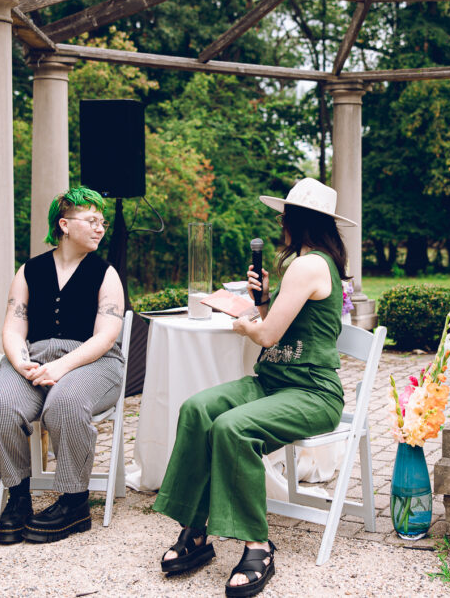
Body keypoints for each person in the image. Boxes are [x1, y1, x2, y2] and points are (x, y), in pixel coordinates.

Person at [153, 177, 353, 597]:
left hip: (312, 392)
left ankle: (258, 545)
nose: (281, 225)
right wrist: (259, 301)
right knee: (197, 408)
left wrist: (246, 323)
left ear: (294, 221)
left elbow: (265, 337)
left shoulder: (310, 264)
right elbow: (277, 323)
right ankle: (197, 529)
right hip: (272, 383)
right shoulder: (304, 263)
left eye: (284, 218)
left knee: (232, 427)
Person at [0, 186, 125, 545]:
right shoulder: (30, 270)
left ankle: (75, 503)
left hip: (95, 362)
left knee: (66, 403)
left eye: (102, 221)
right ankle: (18, 497)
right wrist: (21, 362)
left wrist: (62, 369)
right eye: (91, 220)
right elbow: (13, 327)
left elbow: (105, 337)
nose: (100, 227)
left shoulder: (106, 274)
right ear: (64, 224)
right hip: (35, 360)